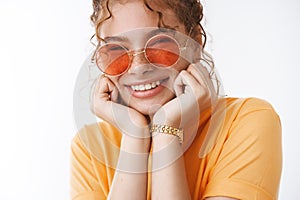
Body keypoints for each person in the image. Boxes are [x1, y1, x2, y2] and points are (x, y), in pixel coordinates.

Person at [70, 0, 282, 199]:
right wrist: (135, 136)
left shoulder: (245, 122)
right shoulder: (89, 147)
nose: (138, 67)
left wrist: (166, 131)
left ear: (195, 42)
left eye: (160, 43)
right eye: (116, 49)